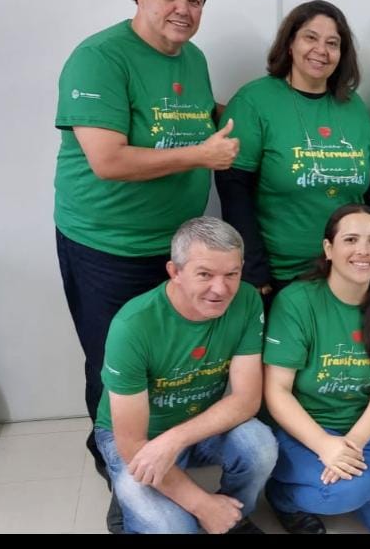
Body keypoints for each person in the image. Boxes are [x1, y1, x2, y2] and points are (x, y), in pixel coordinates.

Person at [54, 0, 238, 479]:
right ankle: (116, 467)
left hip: (176, 247)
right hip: (105, 246)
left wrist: (253, 112)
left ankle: (158, 450)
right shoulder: (99, 58)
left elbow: (196, 114)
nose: (183, 9)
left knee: (169, 359)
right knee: (114, 363)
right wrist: (201, 156)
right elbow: (107, 160)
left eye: (195, 0)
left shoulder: (193, 58)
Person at [93, 217, 276, 534]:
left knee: (260, 447)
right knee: (173, 528)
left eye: (232, 274)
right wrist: (201, 504)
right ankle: (132, 497)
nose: (221, 289)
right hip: (135, 438)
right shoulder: (132, 326)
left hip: (194, 423)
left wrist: (175, 439)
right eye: (205, 274)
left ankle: (231, 518)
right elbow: (131, 441)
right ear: (175, 272)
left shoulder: (247, 300)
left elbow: (247, 400)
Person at [263, 204, 370, 534]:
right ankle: (283, 497)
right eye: (350, 239)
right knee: (349, 490)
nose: (364, 251)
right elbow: (276, 391)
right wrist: (324, 445)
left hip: (358, 425)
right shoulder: (296, 301)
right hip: (301, 426)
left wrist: (354, 443)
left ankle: (345, 478)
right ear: (328, 248)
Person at [217, 0, 370, 307]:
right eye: (310, 37)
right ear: (290, 43)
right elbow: (233, 189)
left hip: (348, 272)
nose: (321, 50)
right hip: (280, 276)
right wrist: (253, 267)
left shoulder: (354, 106)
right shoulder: (254, 101)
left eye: (333, 43)